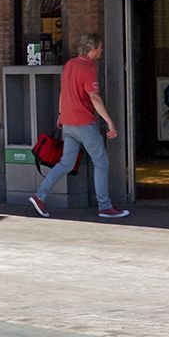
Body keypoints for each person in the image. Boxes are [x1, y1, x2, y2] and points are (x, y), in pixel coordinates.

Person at [28, 30, 127, 219]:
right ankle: (105, 206)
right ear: (92, 49)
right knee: (101, 163)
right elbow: (95, 97)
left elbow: (63, 92)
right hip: (83, 122)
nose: (102, 51)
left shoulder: (69, 65)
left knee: (65, 163)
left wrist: (60, 114)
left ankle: (40, 195)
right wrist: (109, 122)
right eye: (100, 48)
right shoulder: (88, 68)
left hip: (67, 122)